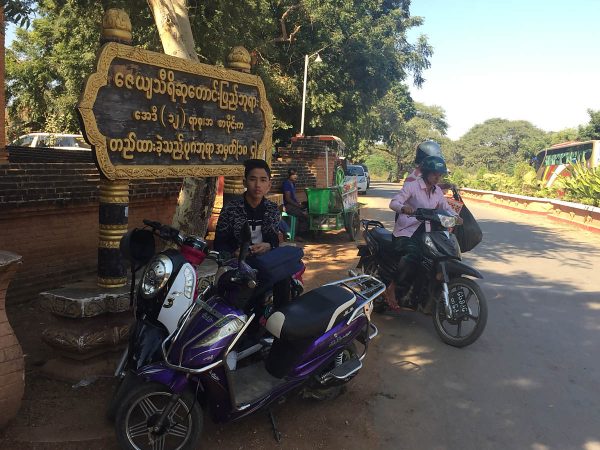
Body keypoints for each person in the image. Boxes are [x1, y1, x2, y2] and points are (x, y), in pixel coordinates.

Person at [386, 156, 462, 310]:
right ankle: (392, 288)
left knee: (436, 258)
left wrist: (456, 217)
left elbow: (446, 208)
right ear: (427, 172)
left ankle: (421, 294)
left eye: (439, 175)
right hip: (406, 232)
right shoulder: (412, 187)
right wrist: (403, 208)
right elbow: (394, 202)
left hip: (427, 232)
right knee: (414, 255)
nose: (437, 177)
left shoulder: (437, 191)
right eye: (435, 174)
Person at [214, 159, 290, 308]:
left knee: (284, 275)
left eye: (263, 180)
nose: (258, 185)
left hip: (266, 260)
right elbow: (219, 243)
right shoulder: (230, 209)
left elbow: (274, 240)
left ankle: (282, 320)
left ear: (269, 184)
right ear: (244, 182)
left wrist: (268, 245)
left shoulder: (273, 209)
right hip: (237, 263)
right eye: (253, 179)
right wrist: (233, 253)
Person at [281, 168, 308, 236]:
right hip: (288, 207)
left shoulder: (292, 184)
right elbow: (288, 199)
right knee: (304, 215)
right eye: (293, 174)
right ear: (289, 175)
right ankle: (299, 235)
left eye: (296, 174)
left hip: (293, 206)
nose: (296, 176)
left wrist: (299, 204)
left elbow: (294, 198)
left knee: (306, 208)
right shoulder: (287, 184)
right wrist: (298, 205)